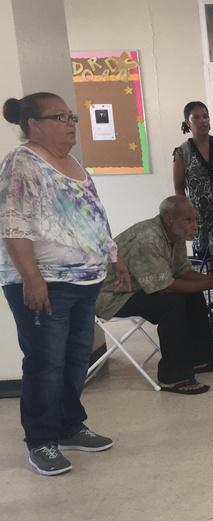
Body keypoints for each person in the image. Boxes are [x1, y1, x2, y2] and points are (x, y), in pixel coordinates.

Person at [1, 92, 130, 476]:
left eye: (71, 116)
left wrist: (114, 254)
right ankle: (41, 440)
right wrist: (31, 278)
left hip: (84, 279)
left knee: (75, 360)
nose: (71, 123)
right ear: (34, 124)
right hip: (47, 282)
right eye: (60, 117)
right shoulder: (21, 163)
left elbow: (93, 215)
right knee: (45, 362)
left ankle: (69, 425)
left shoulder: (72, 162)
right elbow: (13, 225)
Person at [95, 196, 213, 394]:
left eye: (195, 219)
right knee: (171, 303)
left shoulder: (175, 234)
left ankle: (201, 359)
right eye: (188, 220)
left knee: (193, 293)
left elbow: (182, 272)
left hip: (139, 287)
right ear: (169, 219)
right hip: (112, 295)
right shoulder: (148, 238)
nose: (195, 226)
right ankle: (174, 377)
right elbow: (165, 286)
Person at [172, 101, 213, 260]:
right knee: (210, 262)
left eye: (205, 116)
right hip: (200, 216)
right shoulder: (181, 153)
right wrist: (187, 218)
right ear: (188, 122)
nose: (203, 121)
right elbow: (179, 189)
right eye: (197, 117)